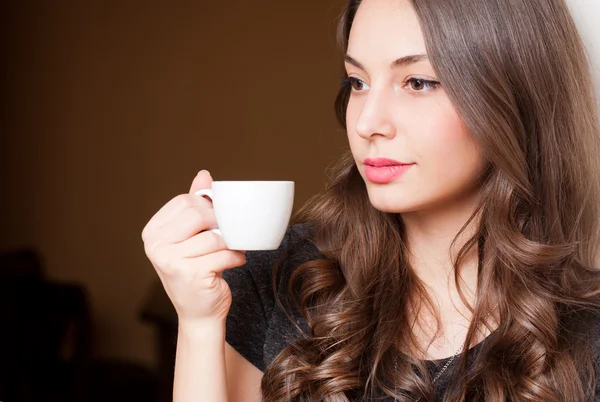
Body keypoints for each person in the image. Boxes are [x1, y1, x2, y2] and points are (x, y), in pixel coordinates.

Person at [141, 0, 600, 400]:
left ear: (513, 96)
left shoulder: (587, 331)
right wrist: (198, 324)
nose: (366, 124)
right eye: (357, 82)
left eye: (417, 82)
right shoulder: (278, 281)